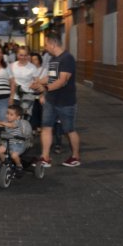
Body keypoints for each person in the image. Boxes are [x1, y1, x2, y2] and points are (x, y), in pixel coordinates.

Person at [36, 31, 81, 168]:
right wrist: (38, 82)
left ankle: (75, 157)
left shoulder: (67, 58)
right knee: (46, 127)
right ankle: (45, 157)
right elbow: (51, 77)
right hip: (51, 101)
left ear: (53, 43)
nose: (45, 47)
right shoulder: (53, 59)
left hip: (66, 102)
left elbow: (62, 81)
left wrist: (46, 89)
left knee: (69, 130)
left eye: (46, 44)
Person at [0, 104, 26, 177]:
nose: (8, 116)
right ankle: (5, 163)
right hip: (8, 143)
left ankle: (19, 166)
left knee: (14, 155)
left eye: (11, 114)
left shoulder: (18, 122)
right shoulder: (7, 122)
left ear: (18, 117)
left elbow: (11, 125)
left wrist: (0, 122)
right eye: (7, 113)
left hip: (18, 144)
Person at [10, 46, 39, 119]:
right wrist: (11, 96)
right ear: (17, 55)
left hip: (27, 97)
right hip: (15, 97)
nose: (23, 57)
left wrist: (34, 85)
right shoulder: (12, 66)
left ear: (28, 55)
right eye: (21, 55)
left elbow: (37, 82)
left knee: (24, 120)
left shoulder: (32, 67)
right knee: (13, 119)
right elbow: (10, 82)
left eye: (25, 55)